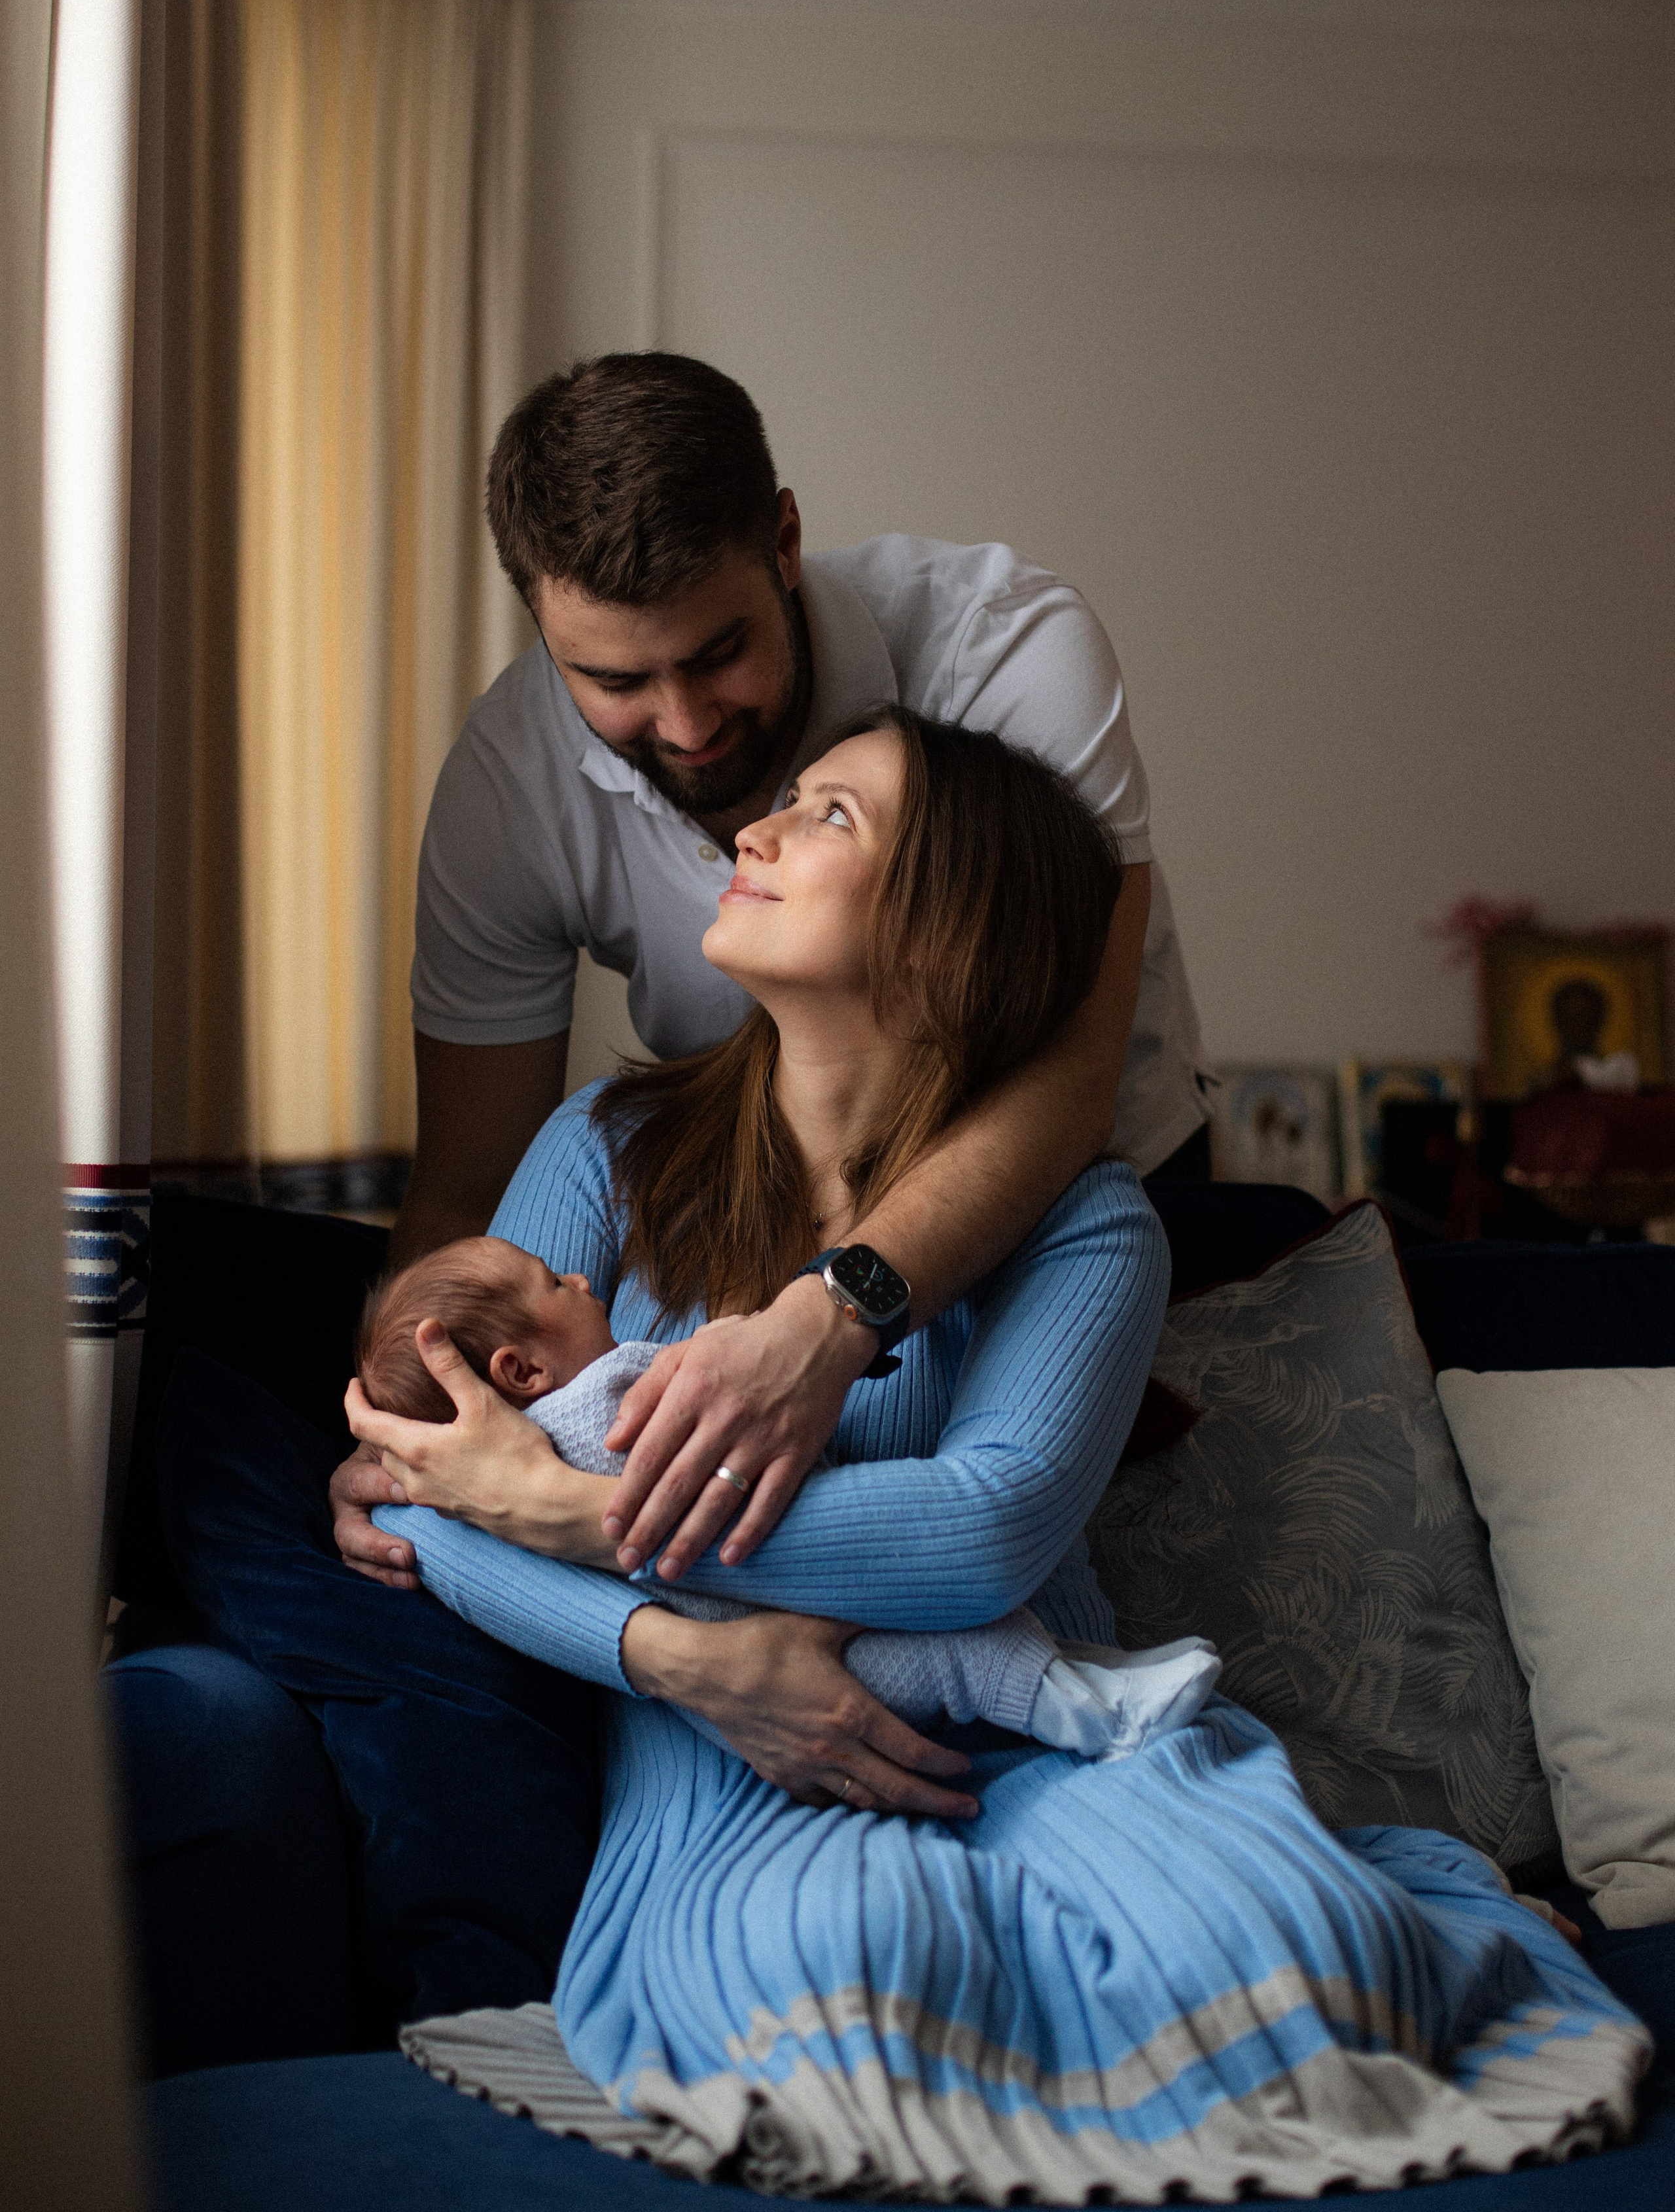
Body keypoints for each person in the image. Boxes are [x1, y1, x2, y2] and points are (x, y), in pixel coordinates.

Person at [349, 708, 1644, 2199]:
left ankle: (1410, 1904)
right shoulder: (603, 1150)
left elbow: (984, 1533)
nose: (752, 833)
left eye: (828, 818)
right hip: (742, 1774)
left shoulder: (1083, 1224)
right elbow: (433, 1489)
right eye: (781, 807)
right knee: (855, 1998)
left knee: (1307, 1964)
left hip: (1055, 1740)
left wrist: (577, 1515)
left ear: (948, 931)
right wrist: (679, 1659)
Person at [332, 350, 1211, 1606]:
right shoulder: (508, 801)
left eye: (719, 651)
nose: (687, 726)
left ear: (785, 539)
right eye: (616, 681)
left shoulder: (1006, 648)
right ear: (539, 626)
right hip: (727, 1199)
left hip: (1068, 1185)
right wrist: (398, 1441)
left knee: (1142, 1560)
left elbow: (1064, 1089)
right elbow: (466, 1190)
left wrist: (826, 1320)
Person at [355, 1231, 1222, 1759]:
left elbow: (986, 1535)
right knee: (970, 1651)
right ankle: (1098, 1713)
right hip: (791, 1661)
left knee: (985, 1642)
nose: (582, 1281)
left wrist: (558, 1512)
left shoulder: (546, 1435)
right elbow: (425, 1506)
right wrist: (684, 1662)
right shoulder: (604, 1393)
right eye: (555, 1283)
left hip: (742, 1662)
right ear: (520, 1371)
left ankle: (1086, 1688)